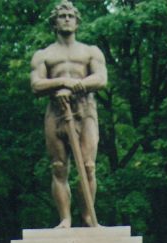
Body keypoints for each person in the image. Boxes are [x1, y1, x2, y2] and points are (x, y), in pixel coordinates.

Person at [30, 0, 107, 228]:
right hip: (56, 112)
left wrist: (74, 86)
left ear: (77, 22)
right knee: (58, 167)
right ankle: (65, 219)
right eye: (62, 15)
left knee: (88, 166)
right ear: (54, 22)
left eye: (70, 15)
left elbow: (101, 79)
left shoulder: (90, 51)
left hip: (85, 110)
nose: (66, 18)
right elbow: (36, 85)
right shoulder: (43, 55)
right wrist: (61, 82)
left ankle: (88, 218)